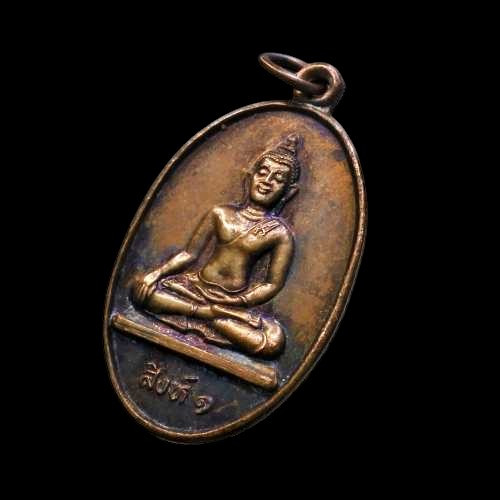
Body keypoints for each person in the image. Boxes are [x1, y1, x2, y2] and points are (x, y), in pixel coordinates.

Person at [132, 134, 302, 358]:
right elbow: (189, 254)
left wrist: (239, 300)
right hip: (193, 288)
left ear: (289, 191)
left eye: (278, 178)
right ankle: (208, 314)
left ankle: (205, 314)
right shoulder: (221, 213)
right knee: (139, 289)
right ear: (249, 177)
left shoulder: (279, 233)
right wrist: (156, 274)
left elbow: (271, 284)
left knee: (274, 342)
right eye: (262, 173)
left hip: (232, 304)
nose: (267, 181)